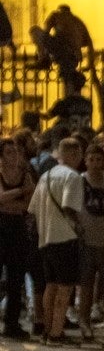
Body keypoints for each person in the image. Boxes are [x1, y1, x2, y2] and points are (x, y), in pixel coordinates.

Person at [27, 136, 84, 346]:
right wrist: (79, 226)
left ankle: (47, 328)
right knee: (64, 287)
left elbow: (32, 209)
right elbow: (69, 206)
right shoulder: (73, 177)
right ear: (73, 154)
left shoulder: (46, 176)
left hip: (45, 238)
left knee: (50, 286)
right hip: (65, 237)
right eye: (78, 154)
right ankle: (57, 332)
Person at [77, 143, 104, 344]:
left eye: (99, 160)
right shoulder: (80, 181)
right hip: (87, 238)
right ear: (86, 161)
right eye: (91, 160)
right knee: (86, 283)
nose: (95, 164)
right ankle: (84, 320)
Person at [0, 138, 34, 340]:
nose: (14, 156)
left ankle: (11, 323)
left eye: (16, 152)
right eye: (9, 152)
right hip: (1, 226)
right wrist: (20, 192)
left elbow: (28, 205)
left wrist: (8, 202)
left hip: (17, 228)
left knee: (16, 277)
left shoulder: (25, 176)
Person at [30, 4, 93, 75]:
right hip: (74, 58)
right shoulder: (78, 21)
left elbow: (45, 33)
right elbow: (90, 43)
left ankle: (44, 61)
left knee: (34, 30)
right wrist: (90, 65)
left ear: (59, 10)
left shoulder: (56, 15)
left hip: (60, 51)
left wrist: (43, 51)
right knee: (66, 76)